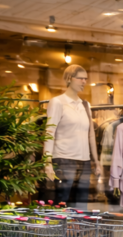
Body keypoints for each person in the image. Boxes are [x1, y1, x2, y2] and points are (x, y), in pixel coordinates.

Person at [43, 65, 102, 203]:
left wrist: (96, 161)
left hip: (84, 161)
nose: (84, 82)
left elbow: (91, 135)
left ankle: (79, 226)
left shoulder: (85, 105)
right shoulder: (58, 102)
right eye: (80, 78)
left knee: (81, 203)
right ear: (69, 79)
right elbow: (49, 132)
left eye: (85, 79)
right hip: (64, 159)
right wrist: (47, 162)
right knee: (62, 201)